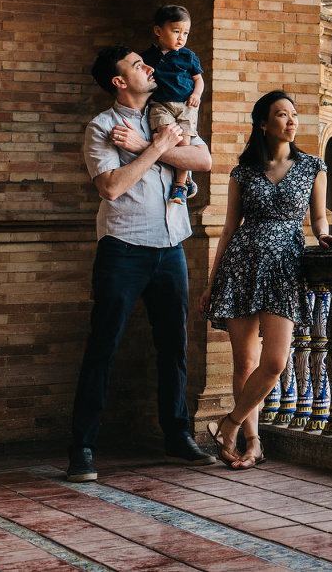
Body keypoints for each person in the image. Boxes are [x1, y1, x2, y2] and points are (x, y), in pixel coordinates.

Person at [70, 45, 216, 482]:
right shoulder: (101, 127)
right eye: (137, 65)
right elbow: (111, 187)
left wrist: (149, 144)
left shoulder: (169, 113)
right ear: (119, 81)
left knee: (174, 347)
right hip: (124, 249)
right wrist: (149, 150)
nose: (148, 67)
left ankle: (177, 438)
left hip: (171, 248)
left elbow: (203, 160)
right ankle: (81, 448)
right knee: (103, 348)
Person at [200, 90, 332, 468]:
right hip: (241, 265)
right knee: (244, 364)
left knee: (275, 361)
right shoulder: (243, 172)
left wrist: (325, 234)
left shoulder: (314, 166)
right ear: (264, 123)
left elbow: (318, 219)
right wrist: (213, 283)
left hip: (284, 269)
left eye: (294, 114)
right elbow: (229, 229)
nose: (292, 121)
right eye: (282, 115)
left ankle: (227, 425)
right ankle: (252, 443)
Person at [142, 5, 205, 204]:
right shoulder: (148, 57)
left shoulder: (188, 56)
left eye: (185, 33)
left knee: (184, 144)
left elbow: (199, 79)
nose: (181, 37)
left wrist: (197, 94)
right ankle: (182, 174)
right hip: (161, 104)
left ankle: (180, 186)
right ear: (158, 31)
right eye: (176, 31)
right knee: (164, 137)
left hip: (186, 105)